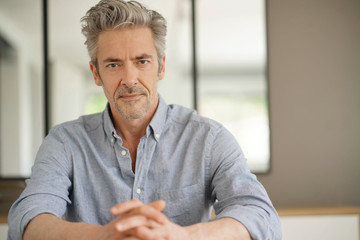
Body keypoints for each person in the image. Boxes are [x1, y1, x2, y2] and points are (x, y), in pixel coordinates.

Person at [8, 0, 281, 239]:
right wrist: (101, 236)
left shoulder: (210, 138)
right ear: (95, 72)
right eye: (113, 64)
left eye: (142, 61)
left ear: (160, 66)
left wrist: (181, 236)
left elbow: (260, 215)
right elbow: (28, 218)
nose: (129, 79)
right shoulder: (65, 142)